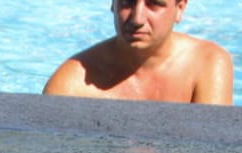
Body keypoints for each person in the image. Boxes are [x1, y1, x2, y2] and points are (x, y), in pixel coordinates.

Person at [43, 0, 234, 104]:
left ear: (180, 9)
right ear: (112, 4)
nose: (137, 19)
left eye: (154, 4)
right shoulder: (71, 84)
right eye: (127, 2)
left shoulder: (207, 64)